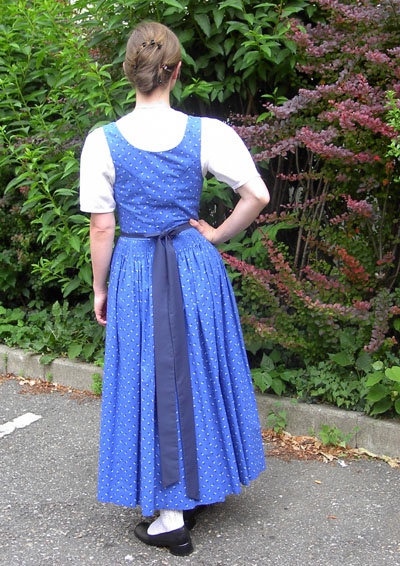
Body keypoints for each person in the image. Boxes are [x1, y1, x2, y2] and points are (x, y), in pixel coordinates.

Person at [80, 21, 270, 557]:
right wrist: (217, 234)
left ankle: (170, 517)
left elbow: (102, 227)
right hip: (194, 266)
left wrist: (99, 288)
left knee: (152, 376)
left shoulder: (103, 141)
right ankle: (192, 486)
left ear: (129, 73)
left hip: (139, 271)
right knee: (197, 371)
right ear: (177, 71)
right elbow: (256, 195)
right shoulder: (207, 132)